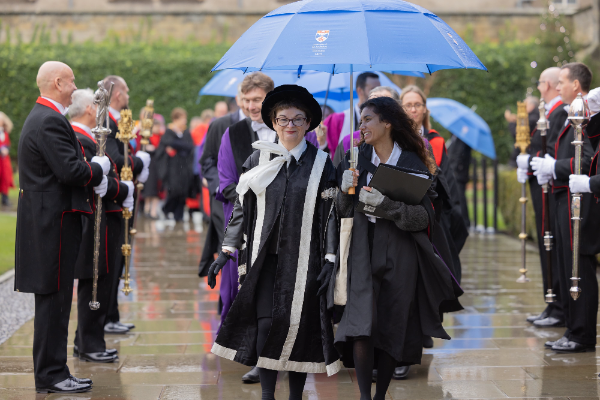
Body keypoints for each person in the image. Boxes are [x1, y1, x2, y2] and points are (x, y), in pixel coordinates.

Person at [208, 85, 341, 400]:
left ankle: (295, 395)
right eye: (283, 120)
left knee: (297, 327)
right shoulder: (258, 158)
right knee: (267, 325)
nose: (290, 126)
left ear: (308, 123)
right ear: (273, 122)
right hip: (264, 260)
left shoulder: (322, 165)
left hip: (306, 260)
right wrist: (225, 251)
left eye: (297, 119)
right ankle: (268, 394)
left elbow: (332, 216)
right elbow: (242, 209)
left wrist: (331, 260)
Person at [335, 97, 462, 400]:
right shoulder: (353, 157)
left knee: (393, 321)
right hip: (361, 247)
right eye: (360, 120)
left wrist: (387, 206)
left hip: (401, 249)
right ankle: (366, 396)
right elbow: (341, 211)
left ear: (387, 123)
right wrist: (343, 189)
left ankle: (381, 397)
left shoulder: (412, 162)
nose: (361, 126)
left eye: (367, 120)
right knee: (362, 321)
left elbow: (424, 217)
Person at [15, 61, 110, 393]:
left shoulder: (47, 117)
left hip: (51, 222)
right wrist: (97, 168)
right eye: (71, 82)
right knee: (54, 304)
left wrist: (89, 167)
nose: (74, 87)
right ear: (57, 82)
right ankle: (52, 374)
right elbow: (71, 172)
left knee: (55, 303)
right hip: (52, 224)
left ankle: (54, 371)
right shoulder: (49, 120)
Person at [532, 63, 600, 352]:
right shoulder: (572, 113)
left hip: (580, 200)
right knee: (567, 263)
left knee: (579, 267)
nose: (558, 87)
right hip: (567, 196)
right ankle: (573, 328)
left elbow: (584, 160)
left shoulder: (580, 114)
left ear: (577, 85)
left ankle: (581, 333)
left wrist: (555, 167)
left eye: (562, 81)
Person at [68, 88, 134, 363]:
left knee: (102, 282)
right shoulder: (81, 138)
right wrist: (122, 190)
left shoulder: (86, 136)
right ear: (90, 110)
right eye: (98, 107)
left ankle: (86, 341)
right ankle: (89, 344)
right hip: (96, 218)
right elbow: (94, 181)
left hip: (105, 215)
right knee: (95, 283)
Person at [516, 67, 567, 328]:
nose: (538, 88)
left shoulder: (559, 112)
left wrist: (531, 160)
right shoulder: (550, 111)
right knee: (546, 243)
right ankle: (552, 301)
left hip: (551, 187)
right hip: (541, 186)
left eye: (539, 83)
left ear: (546, 84)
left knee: (551, 244)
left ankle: (558, 304)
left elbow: (553, 153)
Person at [102, 75, 151, 335]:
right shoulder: (106, 122)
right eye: (127, 91)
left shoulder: (115, 120)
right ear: (118, 94)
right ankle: (107, 317)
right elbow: (117, 161)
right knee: (112, 260)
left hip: (122, 197)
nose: (129, 97)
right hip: (114, 198)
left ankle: (112, 314)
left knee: (119, 259)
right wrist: (140, 162)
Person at [198, 88, 246, 279]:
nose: (251, 105)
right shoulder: (220, 125)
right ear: (238, 99)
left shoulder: (272, 125)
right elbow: (207, 160)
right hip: (225, 200)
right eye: (246, 98)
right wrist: (221, 186)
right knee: (227, 252)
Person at [332, 86, 399, 166]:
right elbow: (335, 176)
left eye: (383, 103)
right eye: (371, 103)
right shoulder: (349, 143)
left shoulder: (409, 152)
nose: (374, 107)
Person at [323, 72, 381, 154]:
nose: (378, 94)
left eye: (380, 90)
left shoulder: (383, 119)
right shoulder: (338, 120)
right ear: (360, 91)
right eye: (373, 89)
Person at [154, 107, 195, 222]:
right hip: (172, 168)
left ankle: (179, 215)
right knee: (174, 190)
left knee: (183, 191)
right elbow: (166, 144)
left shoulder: (186, 132)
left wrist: (176, 146)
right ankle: (166, 209)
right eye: (183, 119)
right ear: (176, 119)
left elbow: (190, 147)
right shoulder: (169, 131)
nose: (185, 121)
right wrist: (181, 146)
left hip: (184, 167)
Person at [142, 114, 166, 219]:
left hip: (159, 166)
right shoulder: (148, 137)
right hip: (150, 166)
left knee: (157, 189)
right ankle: (147, 209)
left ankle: (153, 211)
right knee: (149, 188)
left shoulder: (162, 137)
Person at [506, 96, 540, 167]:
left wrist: (511, 122)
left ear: (532, 106)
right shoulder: (533, 117)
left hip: (529, 155)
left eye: (525, 105)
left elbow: (518, 134)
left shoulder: (532, 119)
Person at [0, 111, 14, 206]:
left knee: (6, 178)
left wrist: (6, 150)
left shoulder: (5, 132)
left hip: (5, 160)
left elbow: (8, 144)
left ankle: (5, 199)